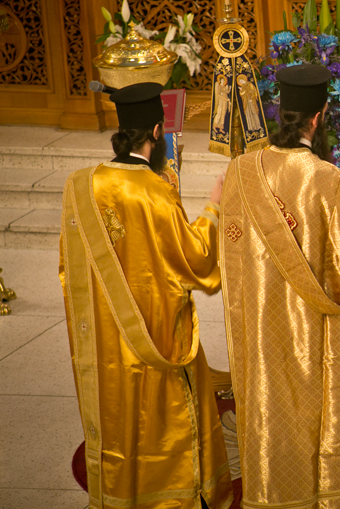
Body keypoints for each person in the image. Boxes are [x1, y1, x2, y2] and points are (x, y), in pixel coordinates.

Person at [219, 63, 340, 509]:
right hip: (321, 334)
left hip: (263, 331)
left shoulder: (241, 172)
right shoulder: (326, 180)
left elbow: (230, 252)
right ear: (319, 116)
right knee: (326, 417)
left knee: (276, 414)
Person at [59, 82, 233, 509]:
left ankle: (122, 493)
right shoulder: (155, 193)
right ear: (157, 132)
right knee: (162, 417)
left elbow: (69, 269)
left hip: (107, 340)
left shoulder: (81, 184)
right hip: (157, 336)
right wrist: (214, 205)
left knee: (122, 419)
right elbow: (196, 261)